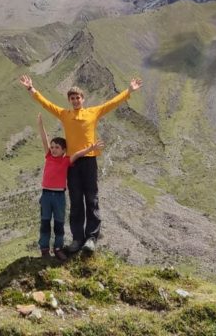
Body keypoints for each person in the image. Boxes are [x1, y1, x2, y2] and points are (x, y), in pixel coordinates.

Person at [20, 73, 143, 253]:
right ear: (69, 100)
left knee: (91, 199)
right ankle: (77, 239)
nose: (76, 100)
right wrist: (31, 89)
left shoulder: (93, 112)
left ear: (83, 99)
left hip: (90, 160)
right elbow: (46, 104)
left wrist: (129, 90)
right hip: (72, 163)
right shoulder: (64, 114)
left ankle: (91, 238)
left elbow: (112, 103)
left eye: (78, 97)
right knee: (76, 201)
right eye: (72, 98)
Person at [35, 112, 102, 260]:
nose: (53, 149)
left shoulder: (66, 160)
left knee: (59, 223)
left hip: (59, 196)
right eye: (52, 147)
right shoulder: (48, 156)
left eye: (57, 147)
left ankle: (58, 248)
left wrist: (91, 149)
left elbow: (78, 154)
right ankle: (44, 249)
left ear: (64, 150)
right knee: (45, 222)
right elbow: (44, 139)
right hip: (46, 195)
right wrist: (41, 125)